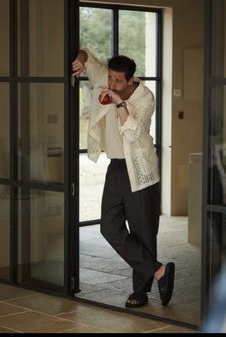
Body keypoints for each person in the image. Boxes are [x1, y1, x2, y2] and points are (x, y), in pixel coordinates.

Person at [72, 48, 175, 308]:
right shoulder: (106, 78)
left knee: (143, 232)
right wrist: (82, 59)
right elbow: (88, 56)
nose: (112, 83)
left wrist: (119, 103)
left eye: (118, 81)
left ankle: (139, 292)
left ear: (130, 80)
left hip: (140, 171)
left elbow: (134, 134)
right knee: (109, 226)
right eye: (110, 78)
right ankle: (158, 269)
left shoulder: (145, 98)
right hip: (116, 168)